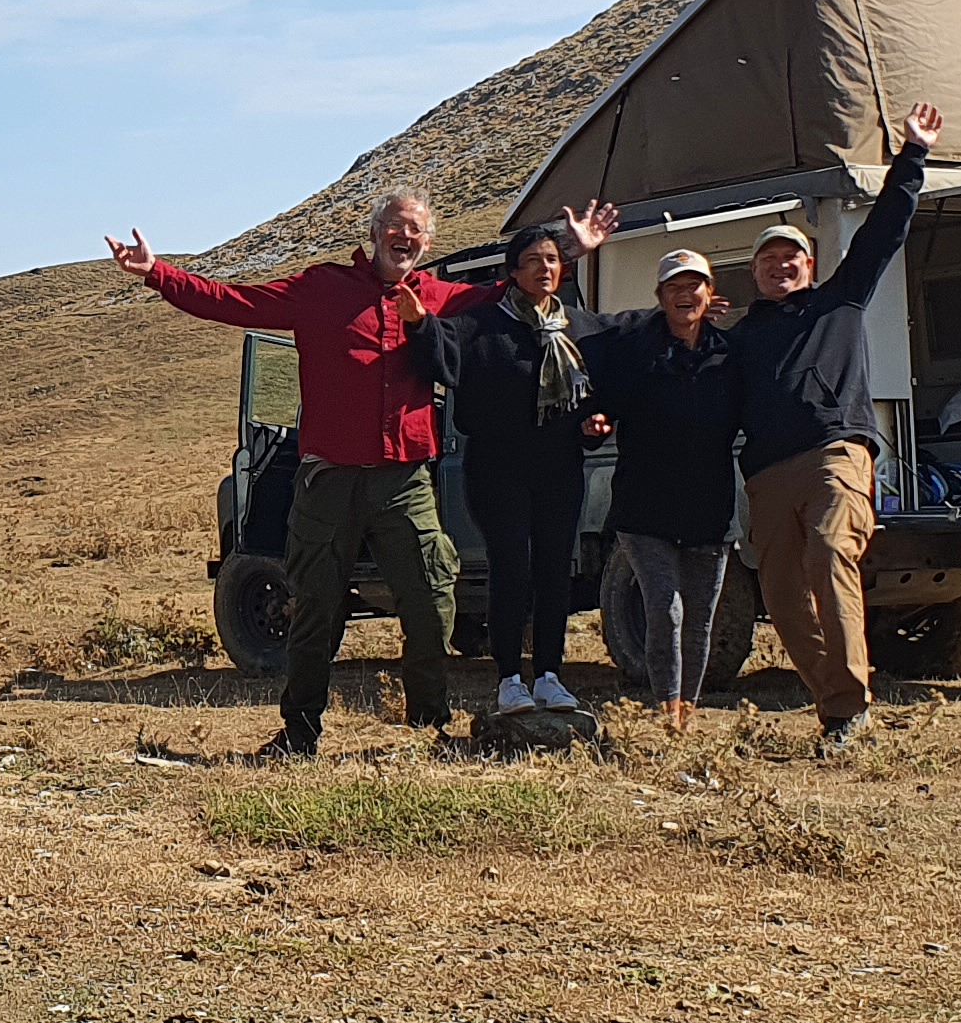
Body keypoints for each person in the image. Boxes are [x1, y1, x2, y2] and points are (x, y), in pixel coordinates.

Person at [105, 189, 594, 755]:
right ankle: (300, 734)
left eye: (415, 230)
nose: (404, 237)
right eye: (395, 226)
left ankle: (428, 730)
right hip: (329, 481)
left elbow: (517, 287)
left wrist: (569, 248)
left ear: (427, 242)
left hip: (404, 481)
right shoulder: (321, 289)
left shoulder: (439, 296)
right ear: (375, 232)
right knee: (314, 610)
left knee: (432, 603)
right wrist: (157, 273)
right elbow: (235, 302)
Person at [730, 103, 945, 748]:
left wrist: (912, 155)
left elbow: (886, 229)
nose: (781, 265)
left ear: (812, 264)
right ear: (754, 272)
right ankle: (837, 709)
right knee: (781, 593)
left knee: (829, 554)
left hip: (834, 455)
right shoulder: (738, 338)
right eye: (769, 259)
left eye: (791, 256)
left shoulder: (840, 301)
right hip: (767, 474)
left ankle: (850, 704)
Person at [394, 221, 615, 720]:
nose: (544, 269)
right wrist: (418, 323)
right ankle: (510, 679)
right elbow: (439, 349)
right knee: (511, 569)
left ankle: (551, 675)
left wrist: (596, 423)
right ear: (513, 271)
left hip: (559, 469)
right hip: (497, 471)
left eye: (552, 260)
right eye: (533, 260)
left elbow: (603, 382)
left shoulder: (579, 328)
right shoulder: (481, 325)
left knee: (554, 570)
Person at [576, 247, 738, 733]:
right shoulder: (634, 352)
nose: (685, 295)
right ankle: (667, 711)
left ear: (710, 293)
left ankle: (687, 714)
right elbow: (600, 406)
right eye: (674, 287)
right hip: (644, 507)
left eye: (694, 286)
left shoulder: (733, 354)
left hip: (710, 507)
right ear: (660, 297)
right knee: (665, 610)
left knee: (701, 618)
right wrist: (595, 423)